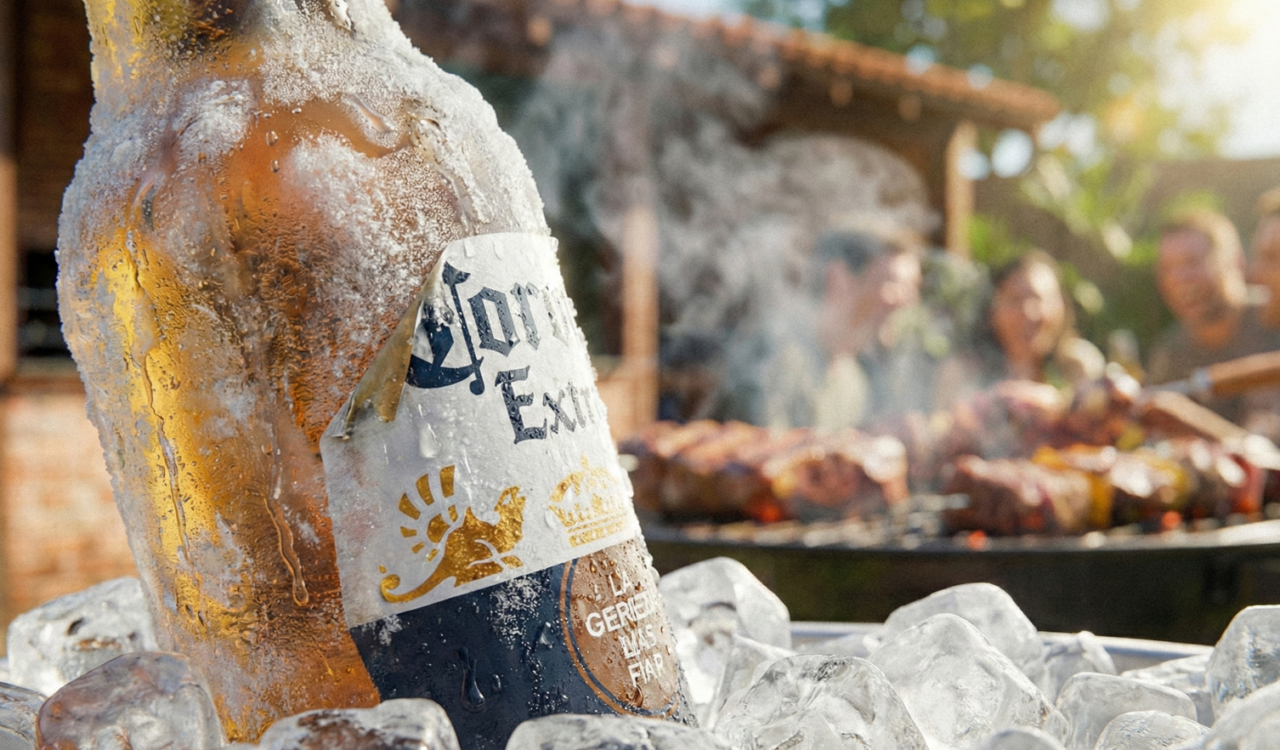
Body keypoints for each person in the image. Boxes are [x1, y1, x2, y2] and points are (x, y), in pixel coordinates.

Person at [714, 228, 931, 430]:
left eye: (913, 287)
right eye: (891, 282)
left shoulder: (854, 379)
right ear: (837, 278)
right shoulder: (774, 358)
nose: (907, 301)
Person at [1147, 209, 1280, 424]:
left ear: (1235, 261)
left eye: (1192, 262)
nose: (1179, 278)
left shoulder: (1274, 320)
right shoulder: (1171, 353)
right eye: (1167, 268)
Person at [980, 250, 1104, 387]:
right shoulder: (969, 367)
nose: (1028, 313)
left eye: (1038, 299)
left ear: (1062, 308)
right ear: (992, 311)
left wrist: (1058, 405)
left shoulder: (1077, 364)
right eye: (1015, 300)